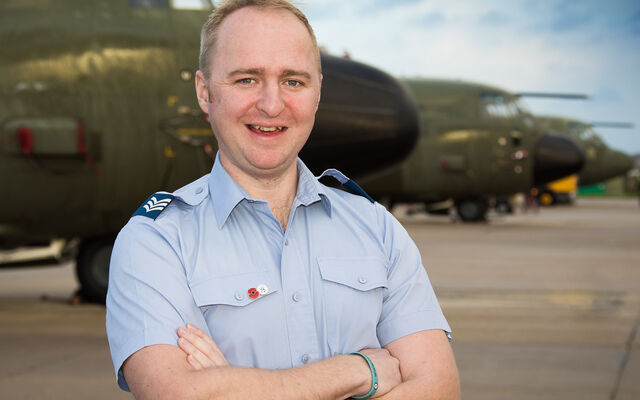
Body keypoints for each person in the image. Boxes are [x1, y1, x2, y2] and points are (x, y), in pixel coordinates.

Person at [106, 1, 460, 399]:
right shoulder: (156, 241)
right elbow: (177, 394)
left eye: (293, 81)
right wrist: (358, 371)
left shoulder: (376, 228)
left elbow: (439, 389)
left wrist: (233, 386)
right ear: (205, 93)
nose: (272, 105)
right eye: (246, 80)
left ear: (317, 92)